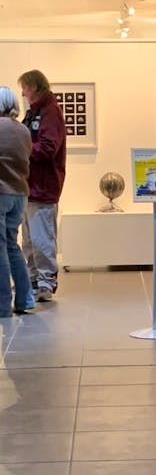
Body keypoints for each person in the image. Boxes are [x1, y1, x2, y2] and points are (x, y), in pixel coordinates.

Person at [18, 69, 66, 302]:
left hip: (43, 187)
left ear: (34, 87)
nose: (23, 93)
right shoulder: (34, 112)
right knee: (28, 240)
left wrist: (21, 149)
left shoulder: (50, 112)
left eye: (25, 88)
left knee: (41, 239)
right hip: (29, 186)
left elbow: (48, 148)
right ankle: (34, 280)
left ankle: (45, 284)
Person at [0, 87, 35, 316]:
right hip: (19, 194)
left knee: (1, 248)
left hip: (1, 193)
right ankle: (25, 299)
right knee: (12, 245)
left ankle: (2, 305)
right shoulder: (23, 129)